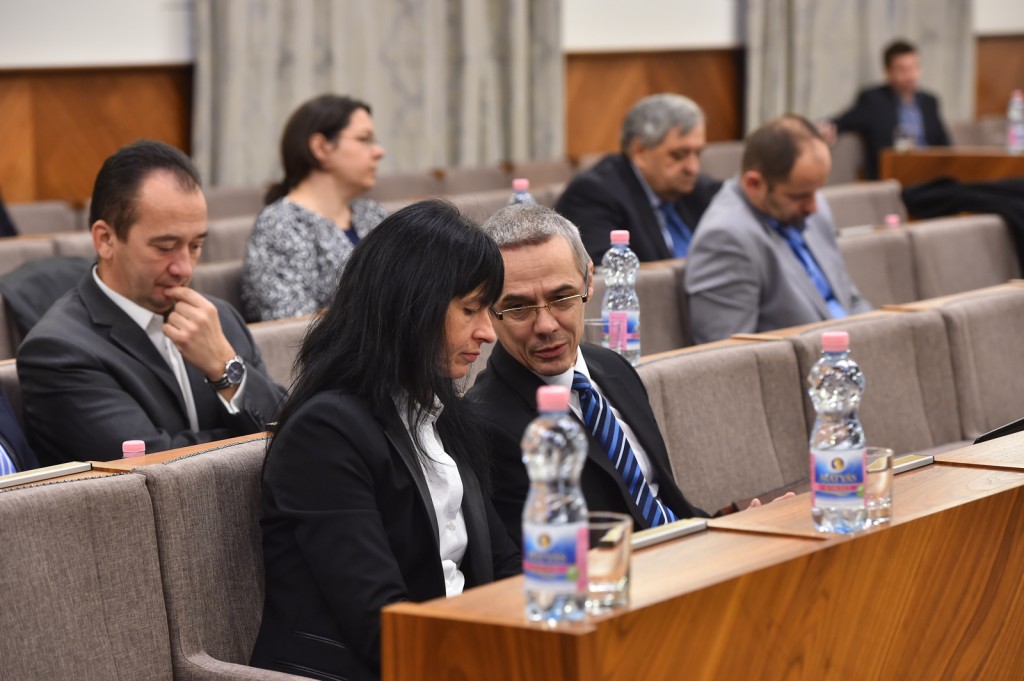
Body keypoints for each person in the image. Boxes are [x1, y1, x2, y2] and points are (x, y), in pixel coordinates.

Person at [250, 200, 520, 681]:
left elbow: (502, 565)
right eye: (470, 310)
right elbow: (380, 624)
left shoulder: (444, 412)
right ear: (411, 306)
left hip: (456, 654)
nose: (488, 333)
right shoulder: (326, 433)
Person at [17, 140, 287, 466]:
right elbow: (153, 468)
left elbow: (290, 428)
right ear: (105, 239)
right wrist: (255, 439)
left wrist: (224, 367)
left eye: (195, 246)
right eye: (165, 247)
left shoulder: (219, 317)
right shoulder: (58, 349)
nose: (184, 268)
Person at [467, 203, 708, 546]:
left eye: (562, 297)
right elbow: (544, 558)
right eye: (518, 307)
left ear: (589, 281)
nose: (546, 325)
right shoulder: (484, 424)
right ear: (489, 309)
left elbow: (662, 503)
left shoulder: (612, 367)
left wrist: (731, 520)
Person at [685, 115, 873, 345]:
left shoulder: (813, 209)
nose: (813, 207)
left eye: (816, 191)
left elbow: (850, 299)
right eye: (799, 196)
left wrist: (877, 341)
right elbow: (730, 357)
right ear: (754, 184)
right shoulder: (725, 238)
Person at [241, 94, 388, 322]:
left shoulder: (373, 215)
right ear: (321, 147)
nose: (379, 152)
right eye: (364, 139)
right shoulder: (280, 225)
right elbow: (291, 326)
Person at [555, 93, 722, 262]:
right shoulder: (593, 195)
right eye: (678, 155)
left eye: (698, 154)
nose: (693, 168)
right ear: (639, 152)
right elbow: (605, 271)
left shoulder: (697, 189)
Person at [823, 39, 951, 180]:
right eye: (902, 69)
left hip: (929, 177)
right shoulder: (873, 100)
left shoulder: (930, 102)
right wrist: (828, 127)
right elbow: (845, 121)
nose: (910, 74)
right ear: (888, 72)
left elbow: (945, 146)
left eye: (915, 67)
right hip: (892, 177)